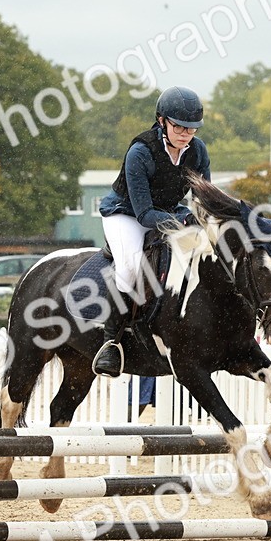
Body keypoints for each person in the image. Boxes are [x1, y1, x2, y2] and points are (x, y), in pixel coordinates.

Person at [93, 86, 211, 377]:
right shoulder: (141, 152)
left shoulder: (197, 151)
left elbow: (204, 197)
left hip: (171, 212)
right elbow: (145, 214)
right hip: (127, 214)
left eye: (191, 129)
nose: (185, 134)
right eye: (179, 127)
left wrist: (207, 219)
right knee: (131, 267)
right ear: (162, 121)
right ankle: (111, 342)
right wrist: (182, 223)